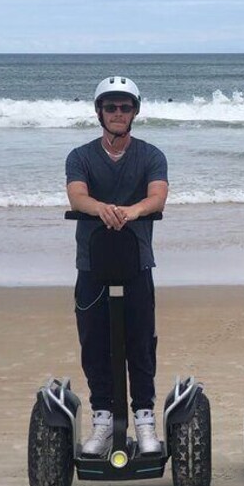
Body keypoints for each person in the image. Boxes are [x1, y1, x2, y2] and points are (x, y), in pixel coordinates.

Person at [65, 76, 168, 455]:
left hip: (137, 264)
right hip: (91, 265)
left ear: (135, 111)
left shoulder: (151, 155)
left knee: (140, 343)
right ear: (99, 112)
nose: (118, 113)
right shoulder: (80, 156)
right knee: (95, 345)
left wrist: (133, 210)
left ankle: (143, 419)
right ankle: (103, 420)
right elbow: (77, 196)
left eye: (125, 107)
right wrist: (102, 209)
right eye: (111, 107)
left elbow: (157, 196)